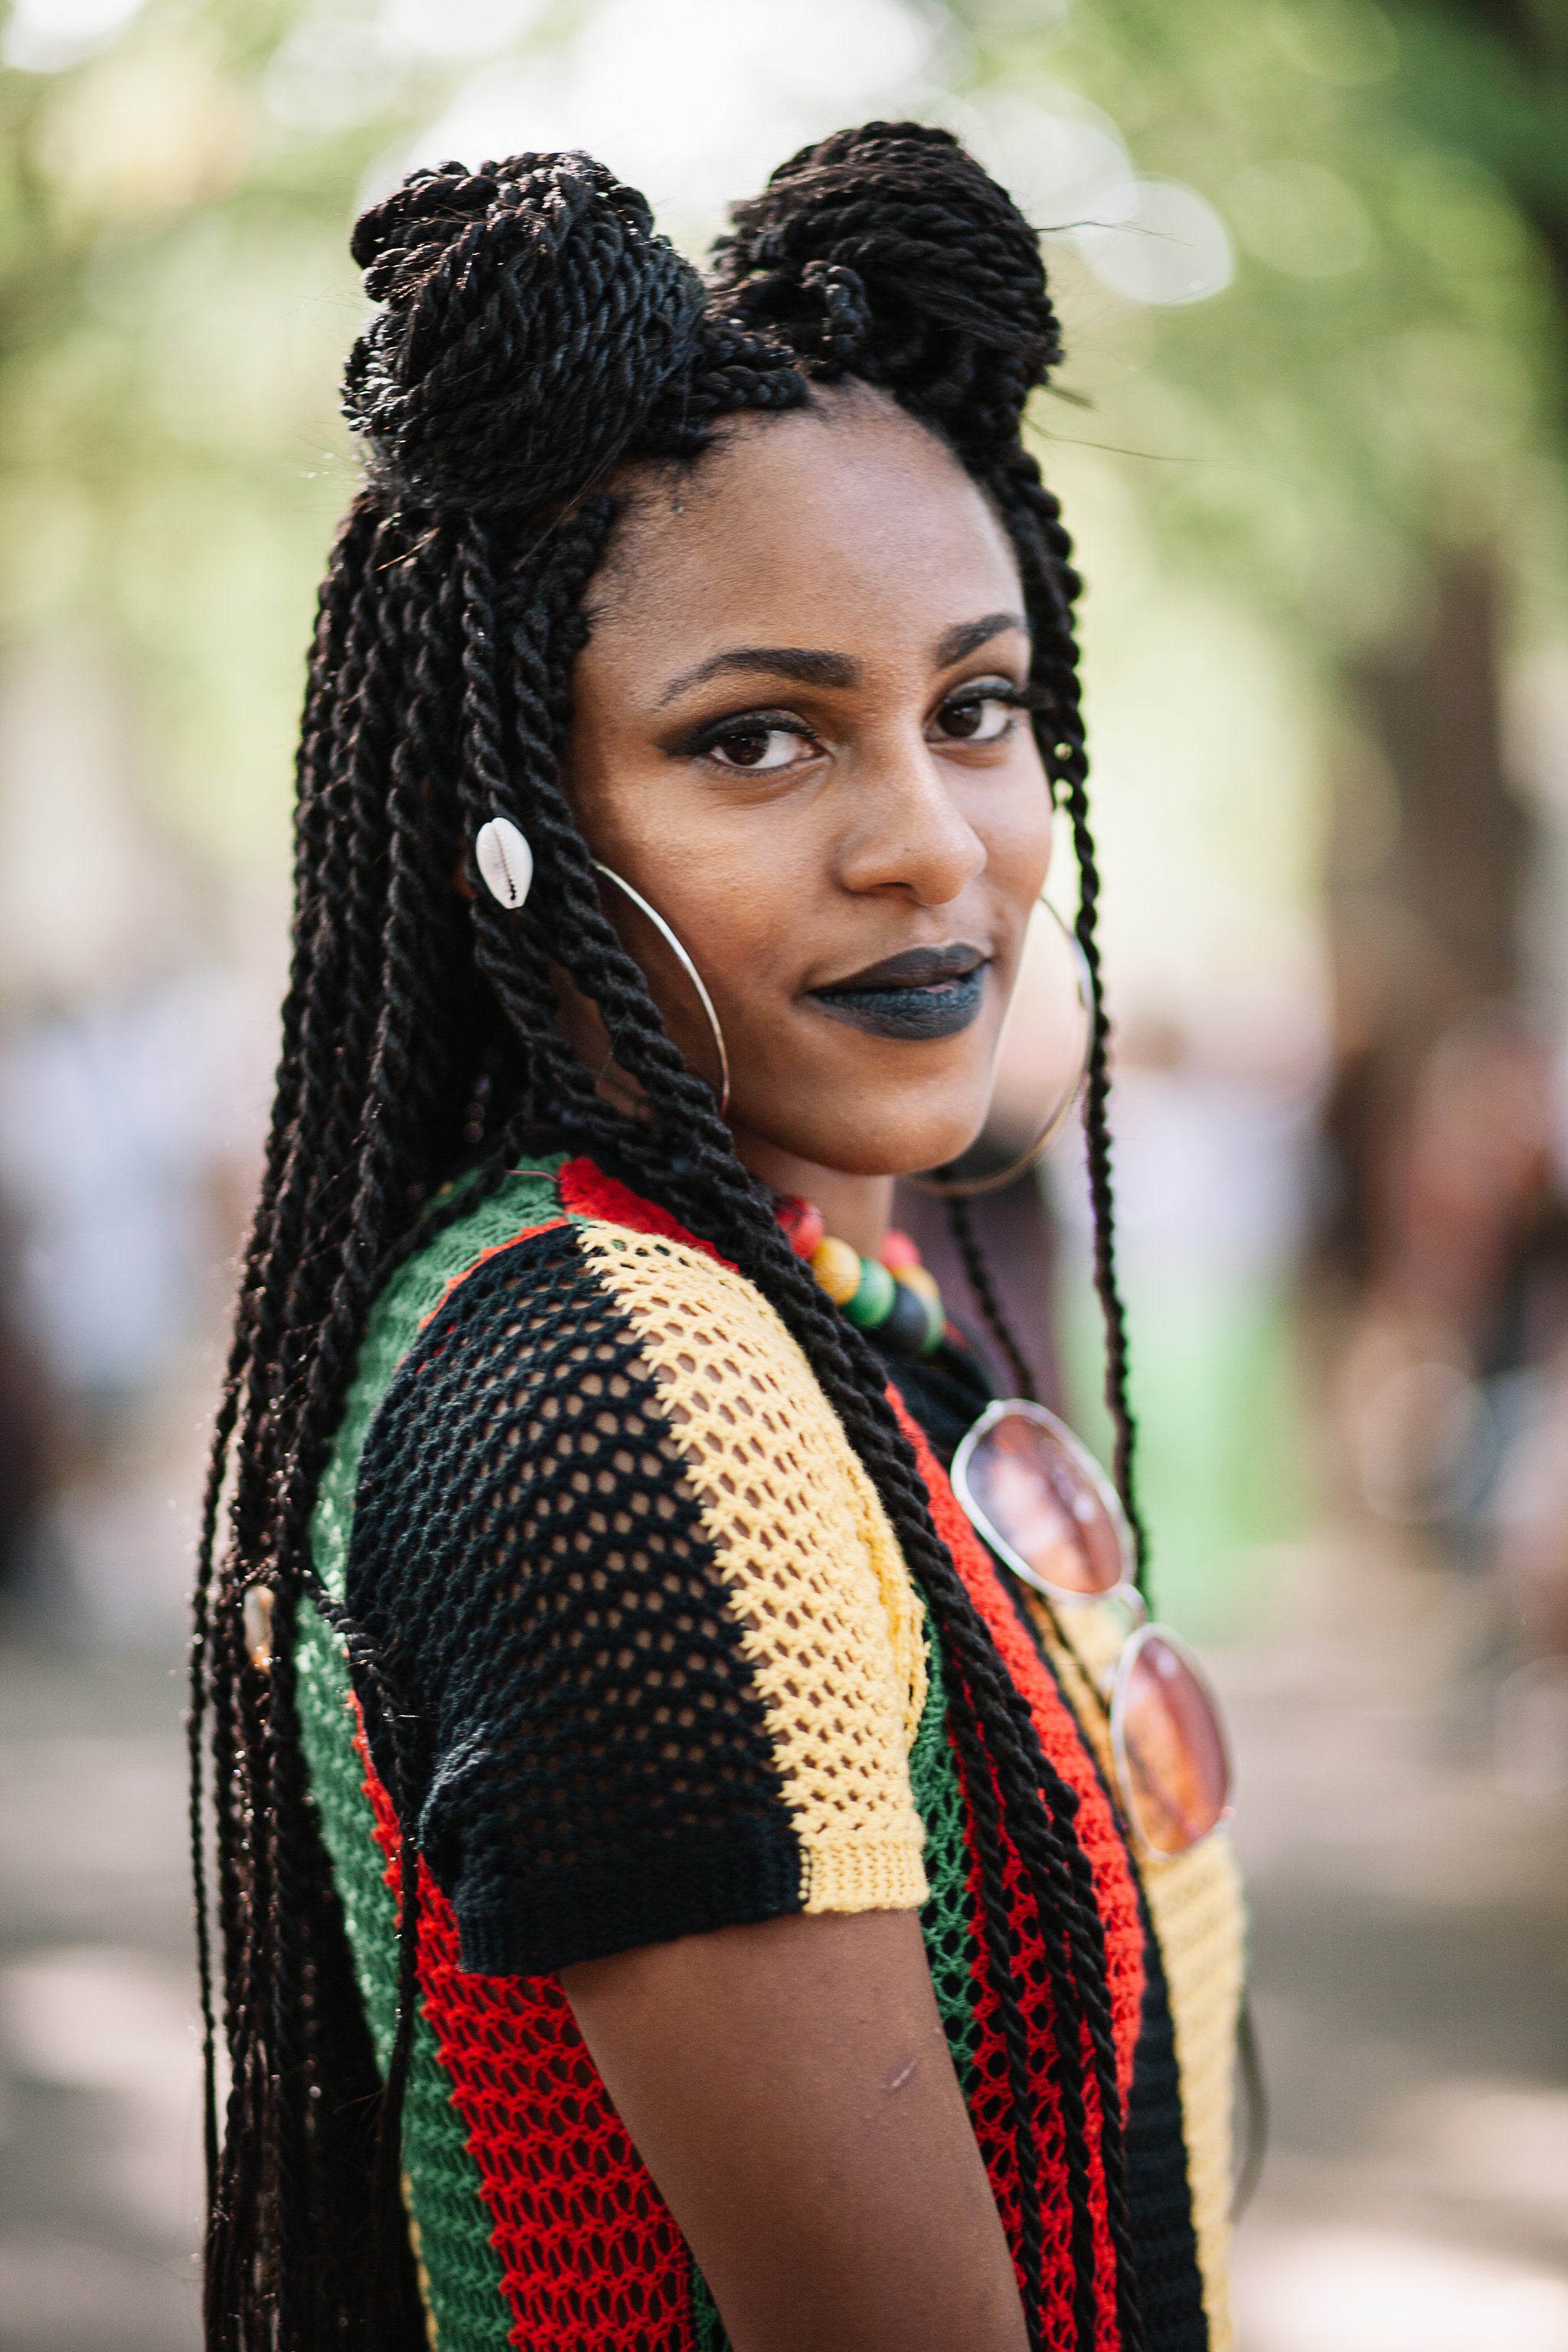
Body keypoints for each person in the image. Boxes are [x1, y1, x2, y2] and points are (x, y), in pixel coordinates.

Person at [190, 125, 1245, 2352]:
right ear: (517, 829)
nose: (928, 846)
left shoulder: (785, 1303)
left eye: (976, 710)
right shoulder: (620, 1384)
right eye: (757, 739)